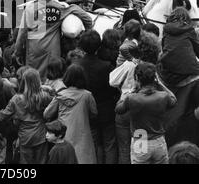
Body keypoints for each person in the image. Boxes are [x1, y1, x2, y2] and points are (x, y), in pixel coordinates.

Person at [15, 0, 92, 79]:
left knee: (33, 81)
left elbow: (22, 33)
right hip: (53, 53)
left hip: (34, 52)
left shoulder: (29, 8)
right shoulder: (60, 8)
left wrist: (17, 52)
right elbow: (87, 18)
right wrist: (87, 35)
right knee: (53, 80)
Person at [115, 62, 177, 164]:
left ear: (137, 78)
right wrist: (160, 84)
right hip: (158, 141)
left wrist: (127, 93)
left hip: (140, 140)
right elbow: (173, 100)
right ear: (154, 78)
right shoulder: (163, 96)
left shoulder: (131, 98)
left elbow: (118, 109)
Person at [0, 68, 52, 164]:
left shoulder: (16, 99)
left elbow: (2, 116)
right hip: (41, 135)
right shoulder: (45, 97)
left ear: (24, 81)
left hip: (25, 137)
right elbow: (55, 102)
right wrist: (47, 88)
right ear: (38, 81)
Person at [77, 30, 119, 164]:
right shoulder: (106, 66)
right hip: (107, 109)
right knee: (109, 144)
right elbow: (114, 89)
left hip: (87, 110)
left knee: (93, 144)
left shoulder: (77, 66)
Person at [44, 64, 98, 164]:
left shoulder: (60, 95)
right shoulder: (87, 95)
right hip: (83, 136)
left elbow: (47, 114)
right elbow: (94, 113)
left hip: (63, 136)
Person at [157, 7, 199, 87]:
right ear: (186, 17)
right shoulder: (189, 29)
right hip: (187, 70)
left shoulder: (166, 29)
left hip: (167, 71)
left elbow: (164, 47)